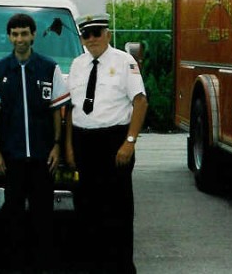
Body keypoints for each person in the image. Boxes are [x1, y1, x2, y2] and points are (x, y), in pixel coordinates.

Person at [0, 13, 70, 271]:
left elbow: (57, 110)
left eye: (24, 33)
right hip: (12, 157)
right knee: (14, 215)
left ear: (33, 35)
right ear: (9, 37)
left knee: (44, 215)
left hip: (43, 157)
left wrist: (56, 145)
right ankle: (17, 264)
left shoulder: (49, 68)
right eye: (15, 34)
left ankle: (43, 264)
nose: (20, 38)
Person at [65, 14, 148, 274]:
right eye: (86, 35)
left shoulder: (125, 62)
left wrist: (130, 142)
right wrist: (69, 146)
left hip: (114, 142)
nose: (92, 39)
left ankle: (121, 267)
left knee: (118, 210)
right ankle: (92, 265)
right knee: (86, 208)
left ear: (108, 34)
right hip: (83, 142)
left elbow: (140, 102)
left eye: (97, 33)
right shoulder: (77, 64)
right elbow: (70, 109)